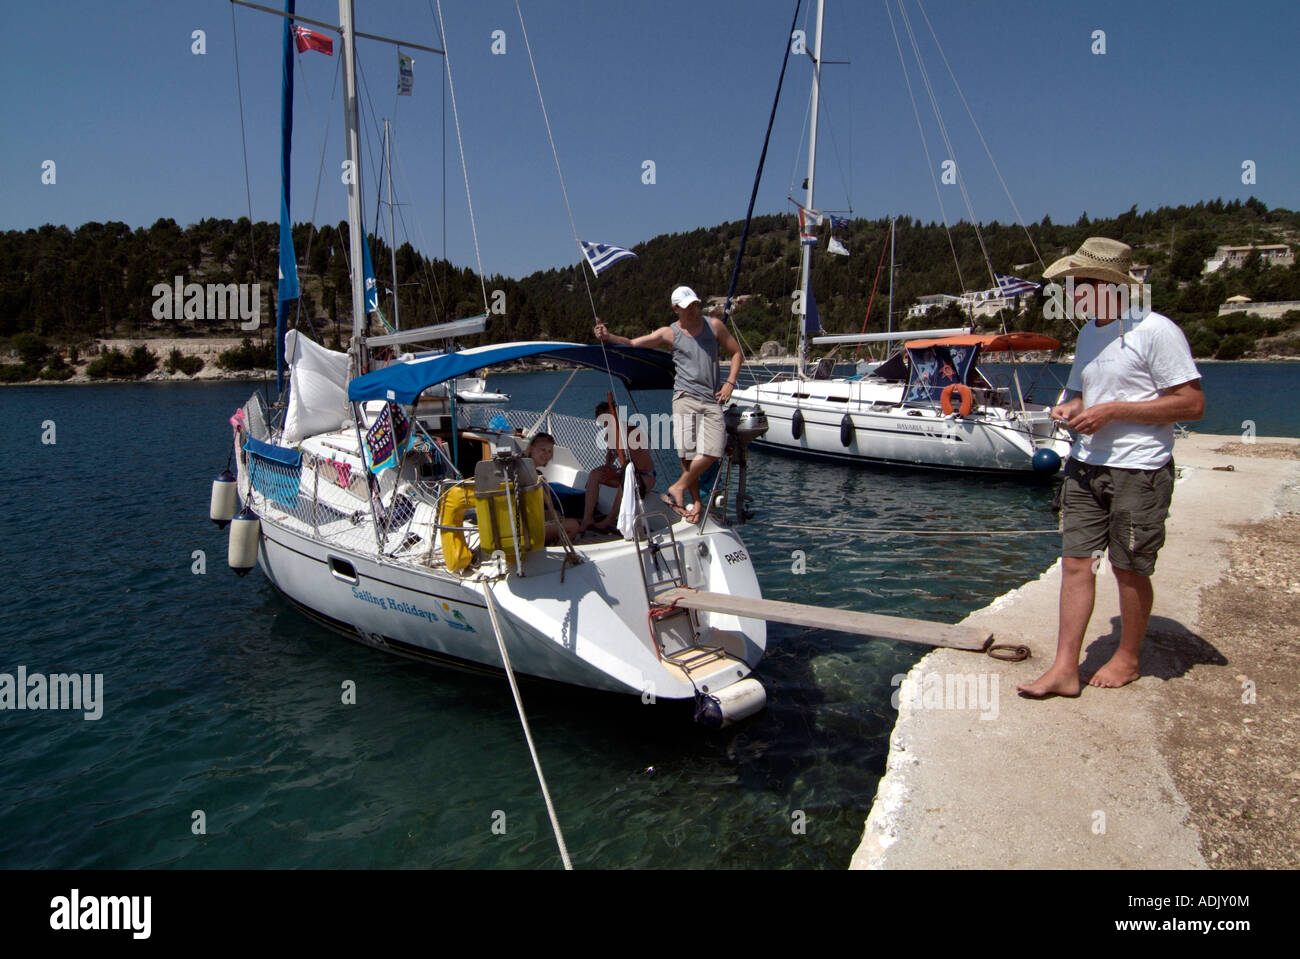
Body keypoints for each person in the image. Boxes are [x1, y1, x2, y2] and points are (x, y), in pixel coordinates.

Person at [1018, 237, 1204, 698]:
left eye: (1077, 283)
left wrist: (1115, 410)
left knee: (1129, 568)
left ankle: (1128, 657)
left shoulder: (1155, 330)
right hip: (1085, 464)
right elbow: (1081, 392)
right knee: (1075, 563)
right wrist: (1071, 407)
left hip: (1138, 470)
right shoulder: (1089, 333)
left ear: (1108, 285)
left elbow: (1192, 404)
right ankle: (1064, 668)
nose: (1070, 291)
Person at [593, 286, 743, 522]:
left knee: (714, 450)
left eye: (695, 304)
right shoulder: (669, 333)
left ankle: (678, 488)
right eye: (687, 307)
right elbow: (633, 343)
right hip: (684, 398)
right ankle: (696, 504)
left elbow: (736, 353)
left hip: (711, 399)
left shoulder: (714, 326)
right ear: (675, 309)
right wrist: (607, 336)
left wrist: (730, 383)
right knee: (687, 456)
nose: (693, 309)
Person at [579, 401, 657, 533]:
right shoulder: (610, 434)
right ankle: (588, 518)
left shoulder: (633, 433)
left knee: (625, 483)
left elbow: (635, 468)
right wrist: (607, 466)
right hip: (624, 473)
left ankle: (608, 520)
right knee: (594, 474)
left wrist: (615, 475)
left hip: (644, 476)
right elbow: (611, 453)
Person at [525, 432, 581, 544]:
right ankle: (559, 551)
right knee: (574, 526)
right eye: (542, 449)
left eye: (549, 451)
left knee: (555, 513)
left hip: (526, 523)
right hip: (526, 531)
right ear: (531, 448)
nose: (546, 454)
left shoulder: (528, 469)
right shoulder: (533, 475)